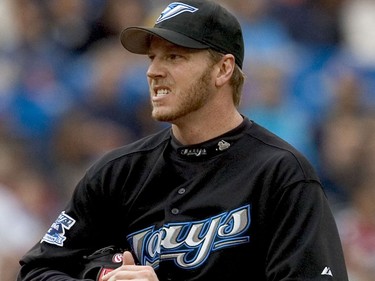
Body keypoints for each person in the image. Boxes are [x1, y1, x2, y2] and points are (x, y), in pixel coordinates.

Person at [17, 0, 349, 280]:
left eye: (174, 57)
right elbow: (36, 270)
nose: (153, 71)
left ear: (223, 70)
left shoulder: (281, 174)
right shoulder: (117, 173)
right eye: (152, 58)